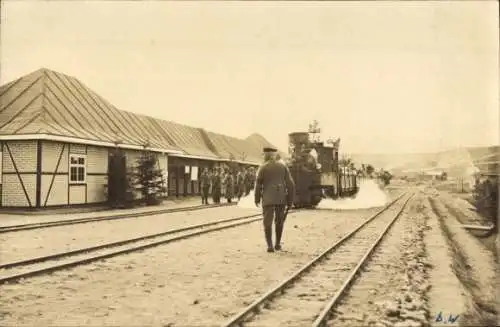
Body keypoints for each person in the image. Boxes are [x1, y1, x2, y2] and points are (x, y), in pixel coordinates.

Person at [254, 147, 295, 253]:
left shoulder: (262, 168)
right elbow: (290, 185)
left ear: (266, 155)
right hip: (281, 198)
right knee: (279, 221)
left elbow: (258, 185)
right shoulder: (283, 167)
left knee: (267, 222)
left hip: (268, 199)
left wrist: (257, 198)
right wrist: (290, 201)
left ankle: (270, 246)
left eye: (264, 155)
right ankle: (277, 244)